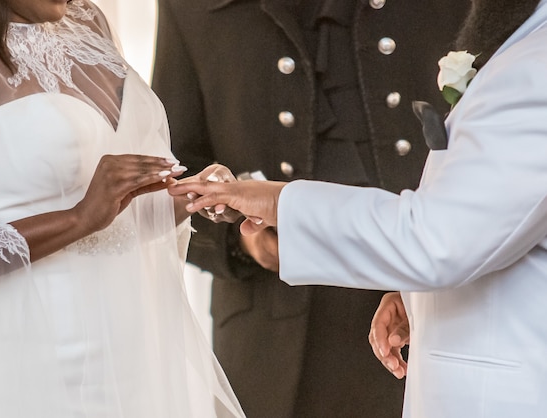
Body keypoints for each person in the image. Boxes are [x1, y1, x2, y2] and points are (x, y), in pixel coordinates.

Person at [169, 0, 547, 416]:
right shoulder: (192, 8)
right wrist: (241, 244)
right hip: (271, 332)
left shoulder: (519, 47)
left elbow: (446, 233)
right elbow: (172, 170)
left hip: (415, 332)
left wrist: (278, 202)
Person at [0, 0, 245, 416]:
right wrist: (76, 218)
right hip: (21, 357)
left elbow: (110, 220)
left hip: (135, 347)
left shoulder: (85, 21)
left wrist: (190, 198)